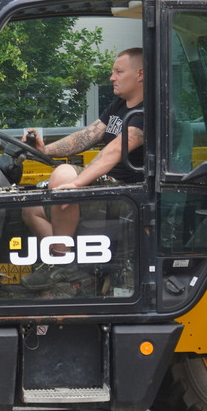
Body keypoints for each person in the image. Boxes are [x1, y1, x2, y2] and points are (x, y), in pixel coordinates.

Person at [19, 48, 144, 290]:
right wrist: (45, 151)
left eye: (118, 71)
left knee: (65, 175)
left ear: (139, 74)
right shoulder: (120, 105)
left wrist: (76, 184)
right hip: (107, 188)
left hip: (127, 195)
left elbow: (115, 150)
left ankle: (64, 269)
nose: (112, 77)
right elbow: (87, 136)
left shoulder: (146, 112)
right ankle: (68, 264)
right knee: (30, 207)